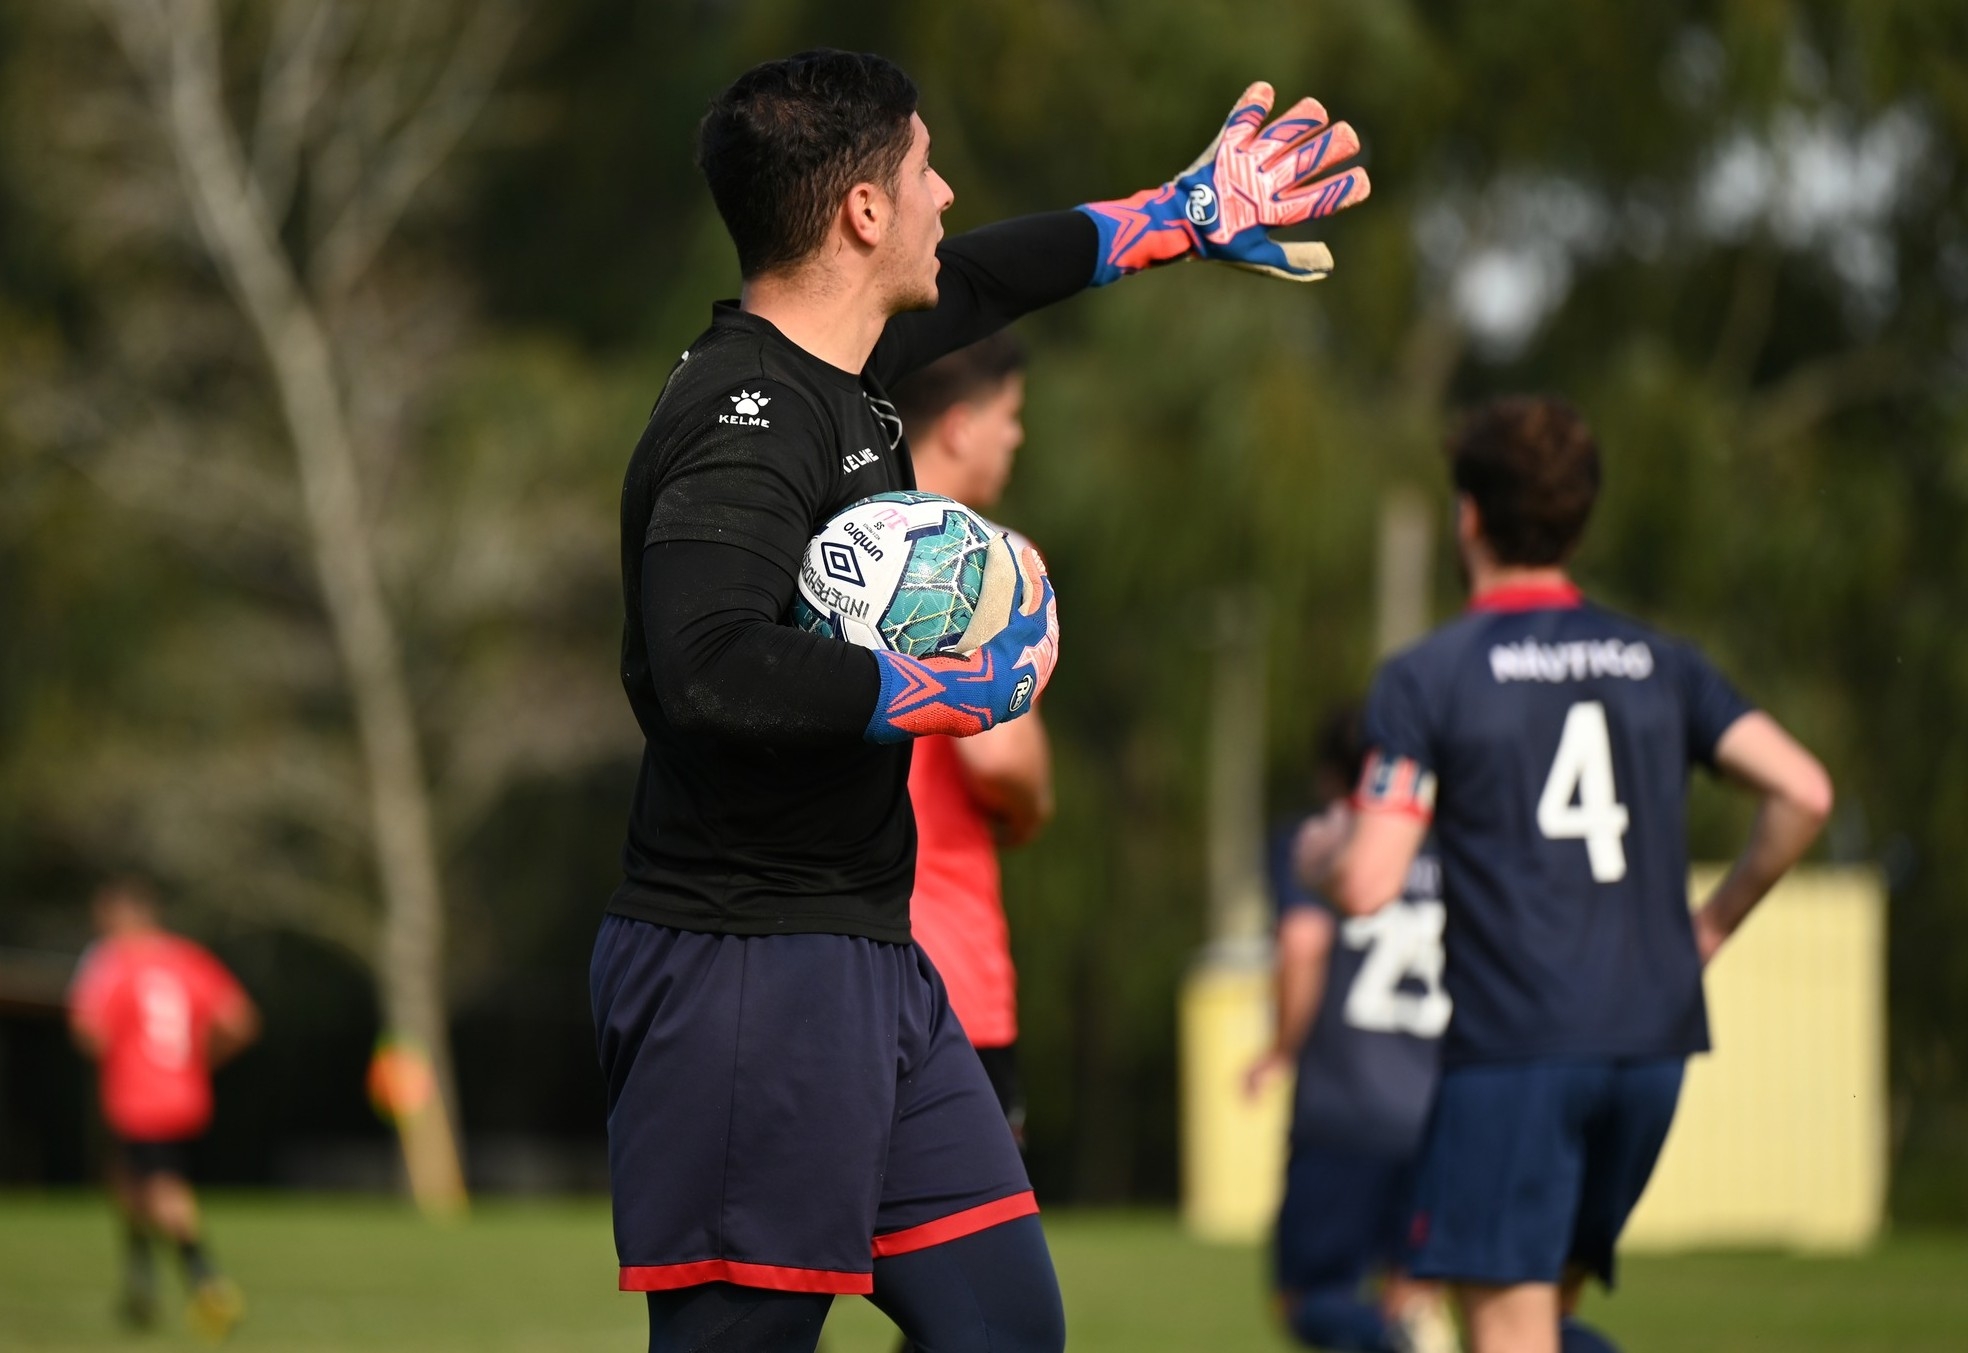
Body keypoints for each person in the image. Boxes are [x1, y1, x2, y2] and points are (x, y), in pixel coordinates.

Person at [591, 48, 1369, 1353]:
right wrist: (937, 682)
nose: (946, 191)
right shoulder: (744, 420)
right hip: (745, 973)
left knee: (1006, 1327)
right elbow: (708, 663)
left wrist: (1179, 216)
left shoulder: (848, 372)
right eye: (923, 166)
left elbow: (1001, 270)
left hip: (869, 963)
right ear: (863, 213)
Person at [1310, 398, 1834, 1353]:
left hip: (1518, 1049)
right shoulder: (1660, 660)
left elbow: (1366, 885)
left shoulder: (1431, 676)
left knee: (1507, 1334)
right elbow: (1803, 790)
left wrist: (1326, 853)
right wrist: (1704, 929)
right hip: (1650, 1048)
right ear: (1579, 515)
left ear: (1468, 516)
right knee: (1547, 1320)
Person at [1247, 707, 1458, 1353]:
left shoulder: (1321, 835)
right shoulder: (1450, 847)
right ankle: (1406, 1334)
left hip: (1347, 1105)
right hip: (1441, 1107)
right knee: (1413, 1289)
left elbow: (1305, 941)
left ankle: (1396, 1343)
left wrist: (1281, 1047)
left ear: (1329, 774)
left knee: (1310, 1296)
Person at [892, 331, 1052, 1147]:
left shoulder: (829, 545)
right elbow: (996, 753)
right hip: (949, 979)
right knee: (985, 1271)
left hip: (820, 965)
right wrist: (1033, 803)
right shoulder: (981, 561)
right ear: (959, 426)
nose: (1016, 435)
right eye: (1009, 414)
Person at [68, 877, 259, 1340]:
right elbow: (241, 1020)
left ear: (122, 916)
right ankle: (140, 1282)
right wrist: (201, 1060)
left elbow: (87, 1031)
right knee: (130, 1180)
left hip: (135, 1094)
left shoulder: (110, 962)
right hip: (187, 1093)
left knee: (161, 1188)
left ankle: (206, 1279)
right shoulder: (189, 958)